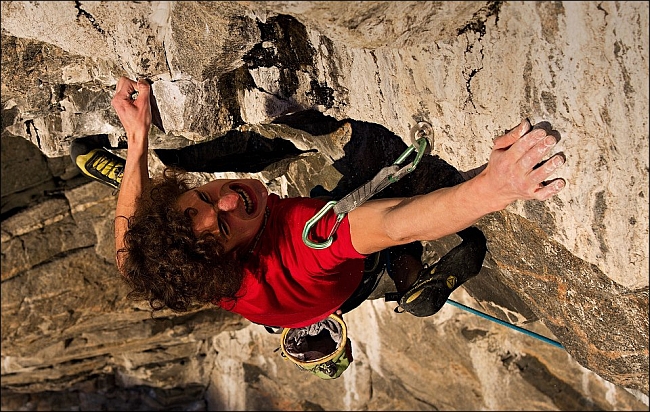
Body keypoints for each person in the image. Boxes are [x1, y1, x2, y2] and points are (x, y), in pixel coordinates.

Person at [72, 76, 566, 330]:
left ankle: (405, 277)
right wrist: (496, 187)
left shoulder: (178, 265)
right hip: (329, 287)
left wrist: (136, 141)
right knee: (382, 186)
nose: (227, 197)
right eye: (224, 227)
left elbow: (127, 246)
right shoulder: (303, 247)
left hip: (287, 301)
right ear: (236, 256)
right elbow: (395, 224)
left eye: (203, 194)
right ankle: (404, 273)